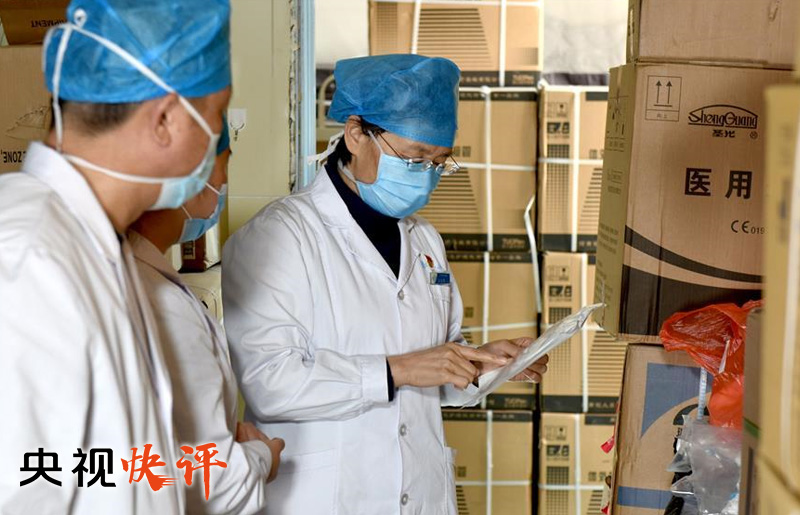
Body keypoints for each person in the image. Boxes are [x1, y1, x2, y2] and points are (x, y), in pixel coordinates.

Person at [222, 54, 549, 514]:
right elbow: (269, 383)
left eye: (439, 163)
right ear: (356, 134)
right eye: (414, 158)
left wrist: (479, 363)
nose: (426, 176)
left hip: (421, 494)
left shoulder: (424, 240)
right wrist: (396, 371)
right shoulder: (279, 236)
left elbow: (433, 364)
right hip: (326, 498)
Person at [0, 0, 231, 513]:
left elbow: (95, 464)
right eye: (215, 116)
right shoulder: (26, 260)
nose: (216, 146)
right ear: (166, 119)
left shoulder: (96, 245)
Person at [129, 123, 284, 514]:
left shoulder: (135, 272)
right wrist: (260, 457)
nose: (223, 183)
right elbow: (209, 483)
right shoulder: (162, 305)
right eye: (224, 164)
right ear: (187, 172)